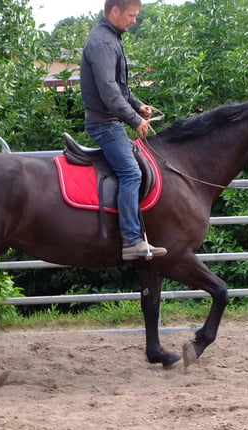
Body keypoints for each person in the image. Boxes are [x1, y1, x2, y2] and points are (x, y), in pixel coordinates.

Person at [80, 0, 167, 261]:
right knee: (131, 173)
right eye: (131, 15)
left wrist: (138, 106)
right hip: (105, 124)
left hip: (110, 120)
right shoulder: (105, 43)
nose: (134, 21)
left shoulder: (111, 38)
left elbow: (120, 89)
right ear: (115, 11)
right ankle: (131, 241)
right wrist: (134, 120)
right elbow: (108, 92)